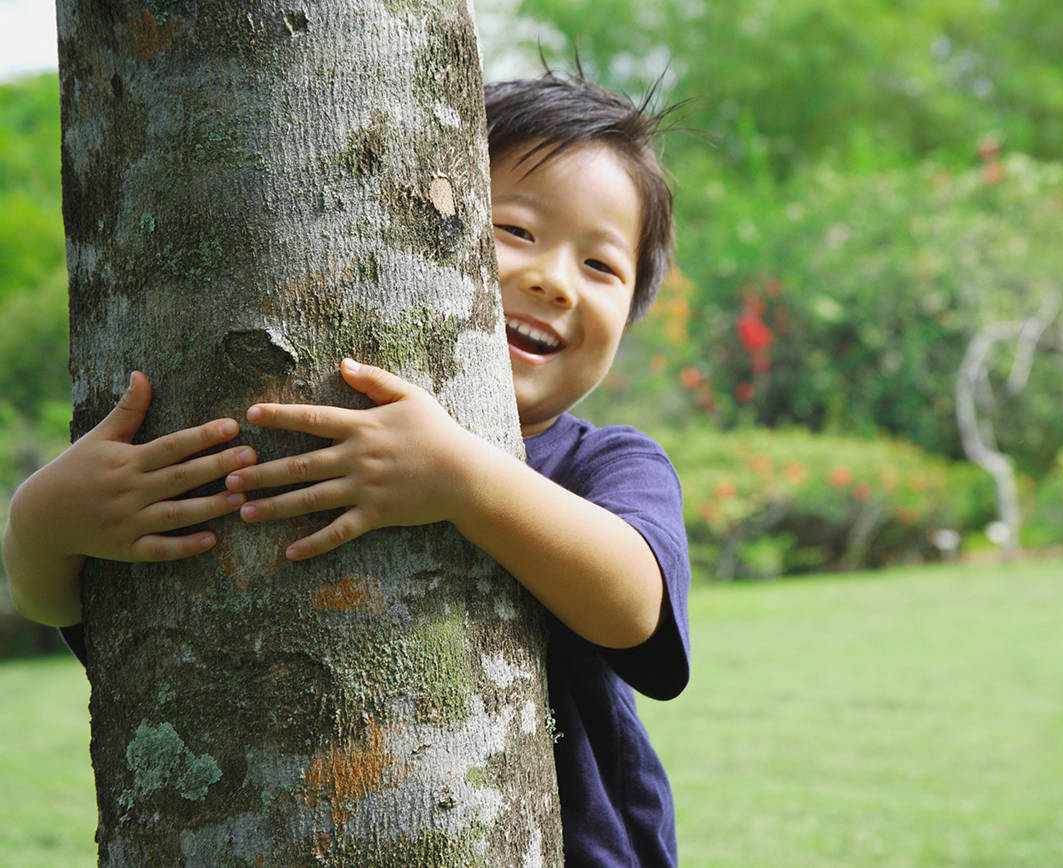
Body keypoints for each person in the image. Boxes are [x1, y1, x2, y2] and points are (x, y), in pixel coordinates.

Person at [2, 71, 690, 867]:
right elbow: (68, 600)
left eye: (602, 267)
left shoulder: (607, 461)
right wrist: (42, 521)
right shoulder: (307, 429)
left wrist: (460, 477)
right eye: (515, 230)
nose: (553, 280)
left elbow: (637, 608)